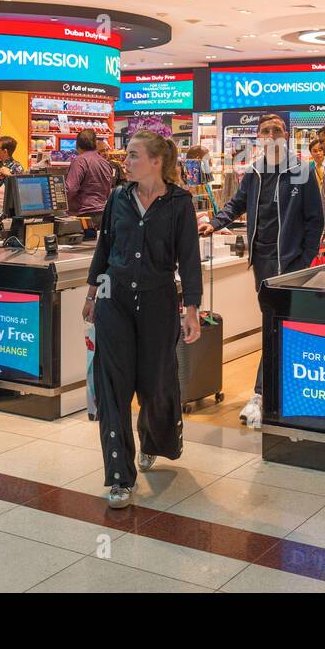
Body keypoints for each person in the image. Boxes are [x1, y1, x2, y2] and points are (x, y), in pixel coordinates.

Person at [84, 131, 202, 508]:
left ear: (155, 161)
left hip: (158, 301)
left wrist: (193, 310)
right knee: (112, 387)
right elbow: (104, 248)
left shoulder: (180, 203)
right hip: (113, 300)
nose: (125, 160)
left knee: (156, 382)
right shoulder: (117, 197)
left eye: (133, 155)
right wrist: (91, 294)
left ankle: (155, 440)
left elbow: (189, 258)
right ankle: (119, 475)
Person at [200, 114, 324, 428]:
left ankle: (261, 394)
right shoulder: (254, 172)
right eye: (265, 131)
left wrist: (304, 261)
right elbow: (236, 204)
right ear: (259, 137)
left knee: (275, 324)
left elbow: (315, 220)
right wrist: (213, 223)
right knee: (278, 325)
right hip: (263, 262)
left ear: (286, 135)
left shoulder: (302, 171)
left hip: (290, 264)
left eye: (276, 130)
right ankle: (284, 389)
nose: (271, 135)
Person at [65, 129, 115, 226]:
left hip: (83, 216)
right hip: (102, 214)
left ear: (77, 145)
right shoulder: (105, 163)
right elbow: (108, 190)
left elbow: (70, 189)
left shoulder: (79, 161)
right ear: (95, 144)